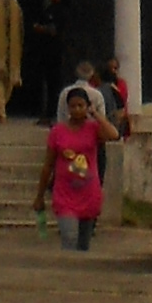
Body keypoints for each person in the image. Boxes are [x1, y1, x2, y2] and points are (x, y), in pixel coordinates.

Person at [34, 83, 107, 252]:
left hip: (89, 194)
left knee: (83, 245)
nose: (76, 110)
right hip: (65, 195)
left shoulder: (94, 129)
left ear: (87, 106)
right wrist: (39, 196)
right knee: (69, 238)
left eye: (81, 105)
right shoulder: (58, 132)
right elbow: (48, 166)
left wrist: (96, 114)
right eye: (73, 106)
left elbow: (113, 134)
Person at [28, 0, 66, 117]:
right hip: (45, 52)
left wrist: (41, 28)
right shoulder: (49, 9)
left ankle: (53, 113)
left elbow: (54, 30)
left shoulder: (61, 11)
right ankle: (46, 112)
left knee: (54, 85)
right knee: (47, 83)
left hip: (55, 53)